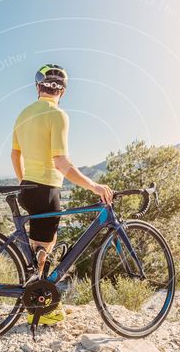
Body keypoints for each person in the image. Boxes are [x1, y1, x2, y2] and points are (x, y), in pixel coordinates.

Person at [11, 64, 113, 325]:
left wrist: (23, 180)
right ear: (63, 91)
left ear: (37, 87)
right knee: (43, 249)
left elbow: (15, 154)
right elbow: (61, 163)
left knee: (39, 248)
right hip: (46, 189)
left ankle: (36, 299)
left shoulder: (23, 113)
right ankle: (40, 309)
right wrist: (94, 186)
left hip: (27, 188)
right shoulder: (57, 115)